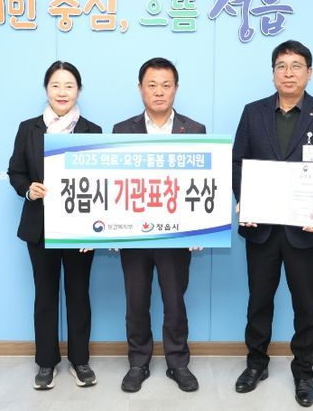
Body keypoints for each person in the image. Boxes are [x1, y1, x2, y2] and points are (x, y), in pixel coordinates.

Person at [232, 40, 313, 407]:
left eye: (296, 66)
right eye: (281, 66)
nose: (288, 73)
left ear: (309, 73)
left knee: (305, 304)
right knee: (259, 301)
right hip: (262, 228)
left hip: (305, 230)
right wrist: (244, 199)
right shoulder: (253, 112)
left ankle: (304, 371)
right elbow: (238, 163)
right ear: (273, 73)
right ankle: (256, 364)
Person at [113, 57, 205, 393]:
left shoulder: (195, 130)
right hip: (135, 235)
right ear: (140, 88)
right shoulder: (122, 131)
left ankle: (178, 362)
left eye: (166, 85)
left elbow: (202, 181)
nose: (159, 91)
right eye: (151, 85)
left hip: (176, 235)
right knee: (136, 302)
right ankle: (138, 362)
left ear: (176, 88)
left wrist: (200, 226)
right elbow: (113, 183)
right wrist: (113, 229)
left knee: (174, 302)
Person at [8, 61, 102, 390]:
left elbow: (101, 182)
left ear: (79, 90)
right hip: (41, 227)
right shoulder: (28, 128)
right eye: (56, 85)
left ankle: (80, 361)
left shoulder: (93, 131)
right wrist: (28, 189)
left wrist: (95, 230)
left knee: (78, 295)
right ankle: (46, 362)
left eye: (69, 86)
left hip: (79, 228)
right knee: (45, 296)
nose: (62, 92)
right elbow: (16, 172)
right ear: (46, 89)